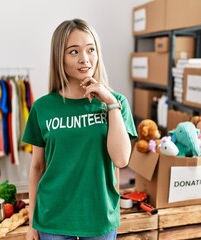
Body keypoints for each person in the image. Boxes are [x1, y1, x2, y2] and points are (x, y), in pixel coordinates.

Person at [22, 18, 137, 240]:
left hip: (99, 217)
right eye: (73, 52)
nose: (85, 59)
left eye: (90, 50)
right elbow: (37, 168)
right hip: (52, 218)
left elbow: (121, 160)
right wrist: (31, 223)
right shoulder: (42, 108)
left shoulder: (117, 102)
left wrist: (111, 103)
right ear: (60, 58)